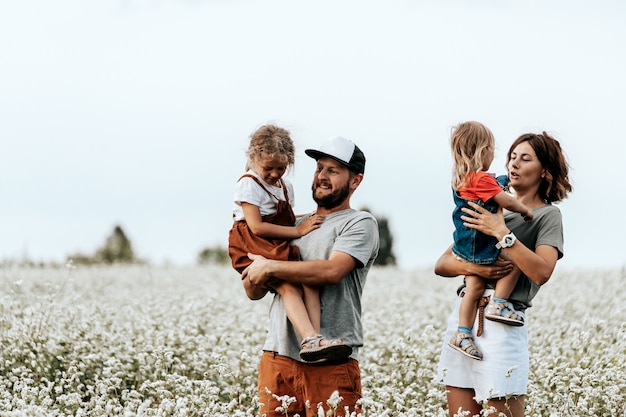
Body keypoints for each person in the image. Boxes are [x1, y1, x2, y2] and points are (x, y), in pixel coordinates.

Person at [435, 131, 572, 417]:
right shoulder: (489, 205)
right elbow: (443, 264)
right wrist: (476, 269)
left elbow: (542, 272)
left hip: (503, 322)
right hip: (464, 321)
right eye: (512, 157)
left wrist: (501, 231)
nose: (514, 164)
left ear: (544, 171)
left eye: (525, 159)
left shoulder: (548, 216)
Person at [242, 136, 379, 417]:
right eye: (319, 168)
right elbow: (252, 291)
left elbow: (332, 271)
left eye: (333, 170)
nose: (322, 177)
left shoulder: (360, 223)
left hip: (333, 359)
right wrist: (256, 271)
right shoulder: (290, 226)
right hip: (278, 355)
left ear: (356, 181)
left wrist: (269, 267)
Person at [228, 124, 351, 363]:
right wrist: (298, 230)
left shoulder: (285, 187)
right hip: (253, 241)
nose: (275, 173)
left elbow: (283, 217)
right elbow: (257, 226)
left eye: (281, 168)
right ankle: (310, 338)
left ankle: (316, 339)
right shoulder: (249, 184)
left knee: (308, 281)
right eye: (268, 168)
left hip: (273, 239)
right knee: (288, 287)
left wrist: (302, 218)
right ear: (254, 159)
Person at [447, 121, 534, 361]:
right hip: (481, 246)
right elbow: (506, 201)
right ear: (483, 150)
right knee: (516, 260)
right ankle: (499, 302)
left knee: (473, 289)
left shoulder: (462, 180)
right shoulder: (482, 180)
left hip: (465, 248)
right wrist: (525, 211)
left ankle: (462, 334)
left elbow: (495, 185)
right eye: (492, 149)